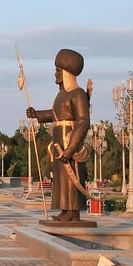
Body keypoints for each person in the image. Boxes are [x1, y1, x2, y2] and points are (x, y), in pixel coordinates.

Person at [26, 48, 90, 222]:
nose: (55, 74)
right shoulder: (62, 95)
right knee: (61, 178)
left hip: (69, 141)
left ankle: (73, 212)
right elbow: (55, 115)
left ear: (67, 72)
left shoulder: (78, 94)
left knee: (72, 176)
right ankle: (65, 210)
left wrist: (71, 148)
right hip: (58, 140)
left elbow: (83, 121)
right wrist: (37, 114)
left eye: (58, 70)